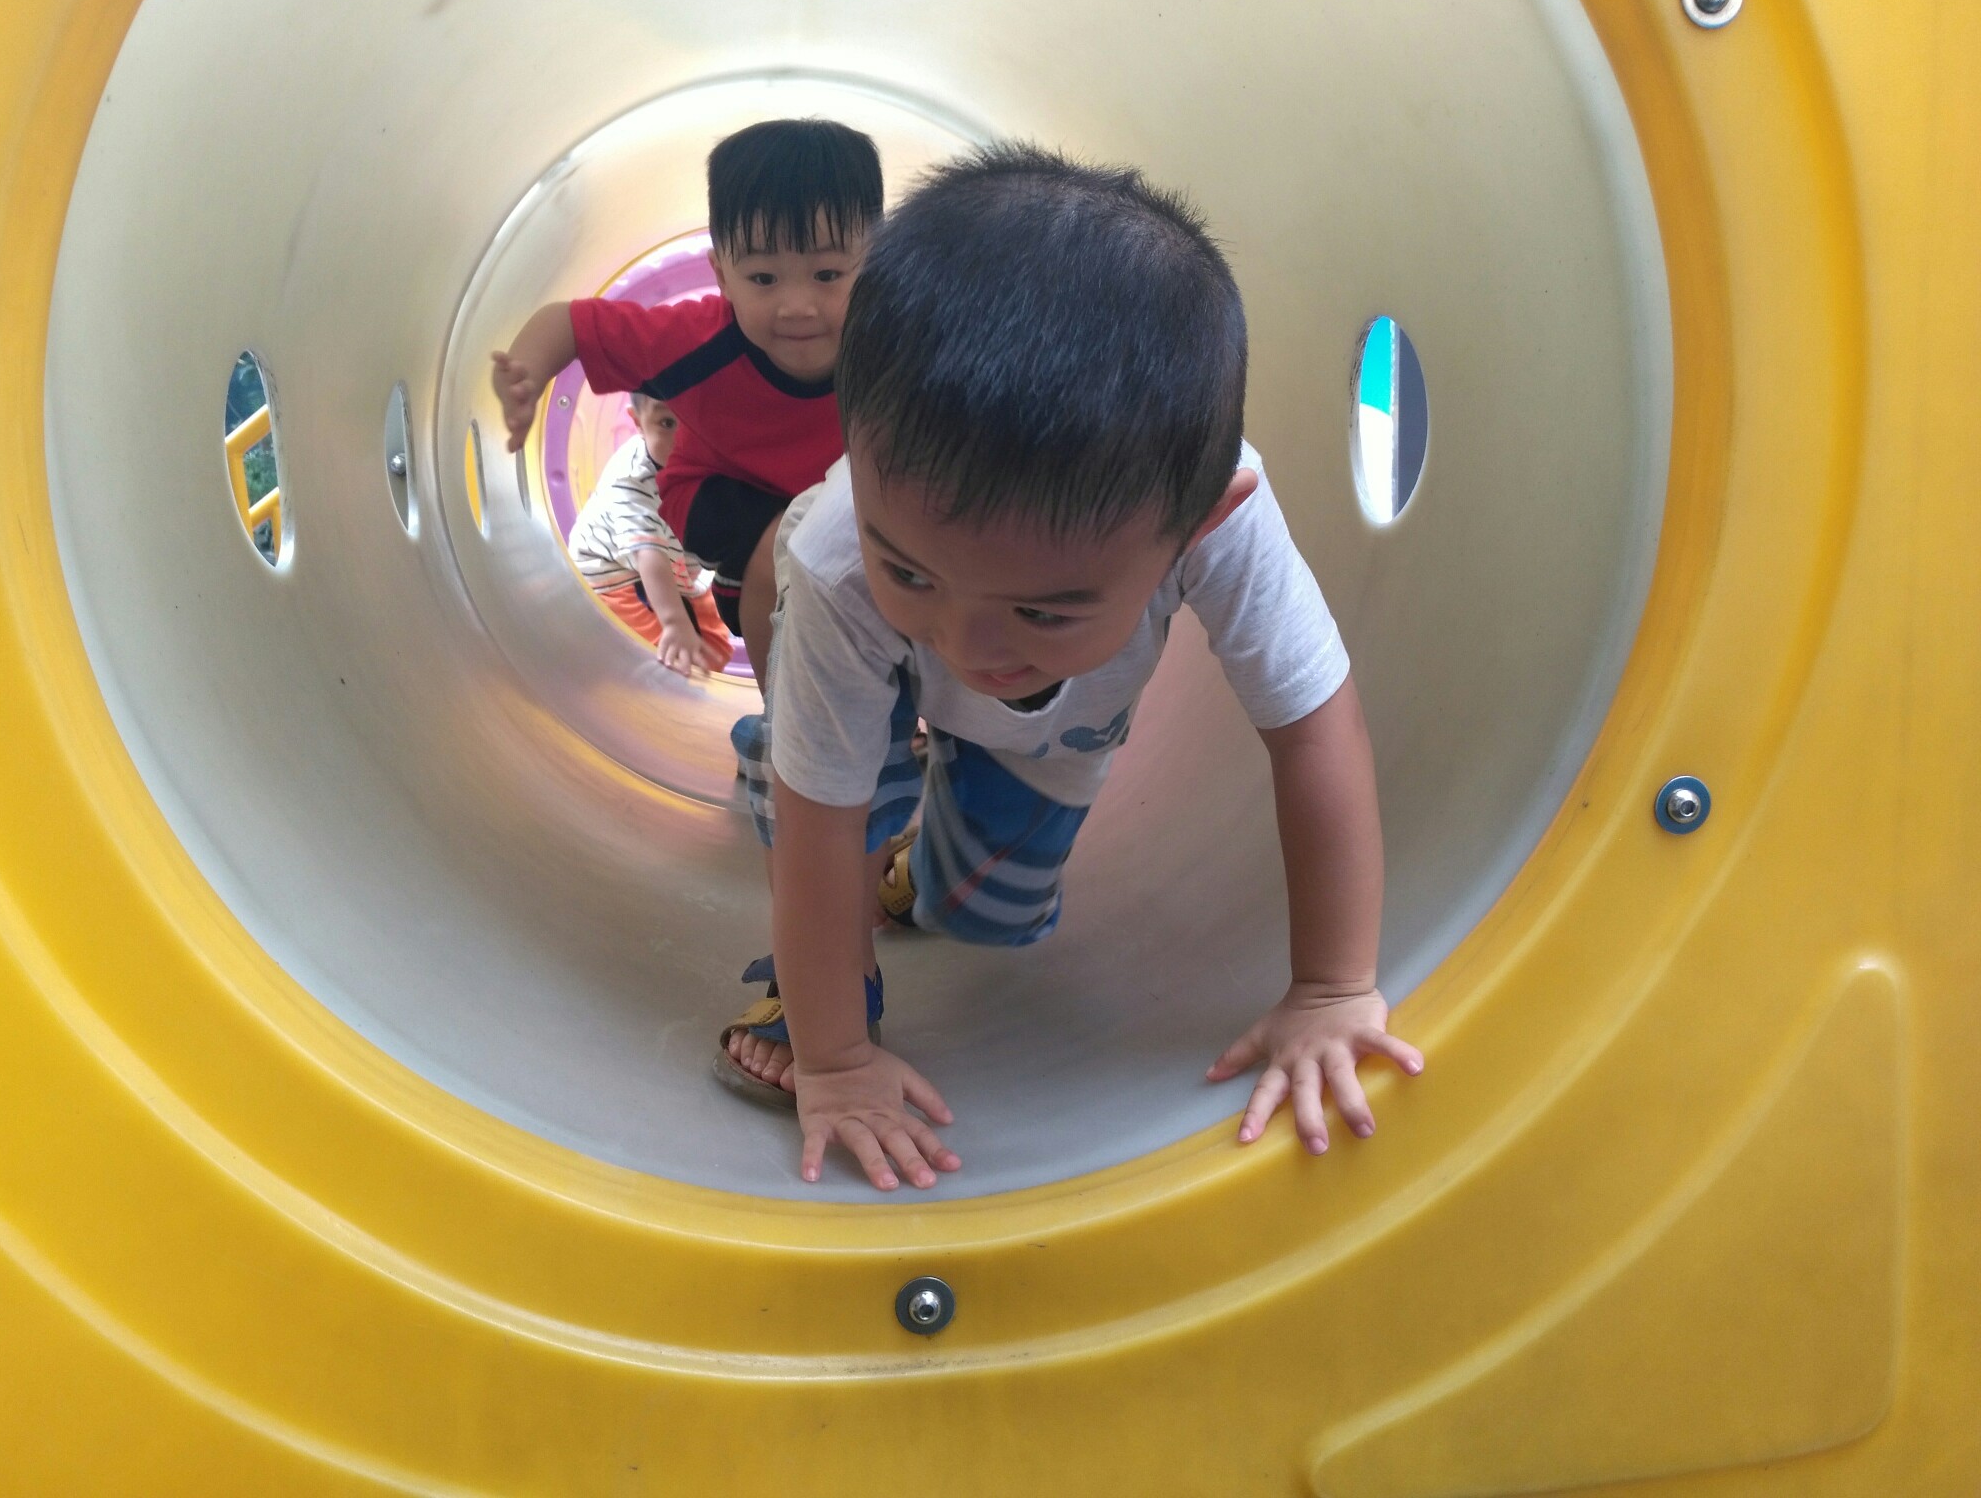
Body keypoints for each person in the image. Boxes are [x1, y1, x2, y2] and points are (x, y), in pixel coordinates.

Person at [714, 145, 1424, 1193]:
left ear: (1196, 525)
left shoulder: (1216, 512)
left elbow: (1315, 729)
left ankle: (911, 854)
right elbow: (821, 818)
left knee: (990, 916)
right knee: (829, 799)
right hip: (853, 649)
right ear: (854, 449)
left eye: (1043, 609)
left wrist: (1330, 989)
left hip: (1044, 723)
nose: (969, 646)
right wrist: (837, 1062)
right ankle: (802, 796)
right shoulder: (842, 562)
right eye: (914, 569)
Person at [492, 118, 883, 692]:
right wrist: (525, 376)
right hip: (716, 494)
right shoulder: (697, 342)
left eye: (827, 274)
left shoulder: (892, 347)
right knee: (788, 549)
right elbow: (570, 324)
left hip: (839, 496)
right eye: (763, 278)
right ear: (721, 275)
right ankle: (786, 716)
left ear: (876, 263)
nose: (798, 305)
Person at [566, 394, 731, 677]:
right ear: (638, 423)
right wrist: (674, 623)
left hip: (675, 564)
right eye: (667, 423)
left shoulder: (717, 459)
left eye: (698, 420)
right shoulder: (631, 481)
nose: (685, 439)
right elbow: (648, 554)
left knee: (714, 647)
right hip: (614, 572)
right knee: (668, 659)